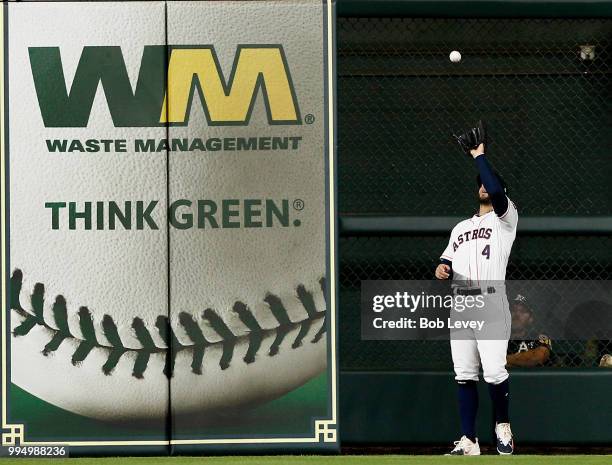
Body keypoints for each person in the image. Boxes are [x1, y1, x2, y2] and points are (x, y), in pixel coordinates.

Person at [435, 121, 518, 456]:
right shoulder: (460, 228)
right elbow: (446, 262)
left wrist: (479, 155)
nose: (485, 186)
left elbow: (497, 192)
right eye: (481, 183)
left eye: (489, 182)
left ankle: (502, 425)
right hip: (462, 305)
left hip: (491, 301)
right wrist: (441, 268)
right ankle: (469, 440)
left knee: (495, 372)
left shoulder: (506, 219)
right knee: (464, 374)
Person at [506, 294, 552, 367]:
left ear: (530, 318)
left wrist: (502, 360)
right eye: (513, 310)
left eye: (523, 311)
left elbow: (539, 356)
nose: (517, 314)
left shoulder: (540, 335)